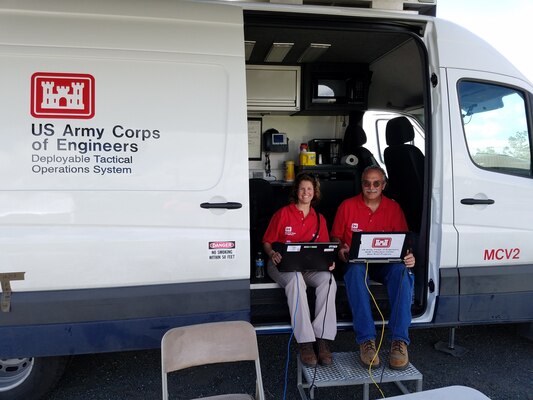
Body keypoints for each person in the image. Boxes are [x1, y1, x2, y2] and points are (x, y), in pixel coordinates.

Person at [331, 165, 415, 370]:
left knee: (403, 273)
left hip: (386, 264)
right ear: (361, 184)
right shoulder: (347, 206)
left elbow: (403, 242)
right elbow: (335, 237)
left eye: (376, 183)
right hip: (357, 263)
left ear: (383, 185)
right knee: (354, 273)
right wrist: (341, 248)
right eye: (367, 183)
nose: (371, 187)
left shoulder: (394, 208)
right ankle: (366, 341)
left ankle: (399, 341)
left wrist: (408, 256)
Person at [263, 173, 337, 367]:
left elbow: (325, 249)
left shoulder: (319, 218)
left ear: (315, 193)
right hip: (282, 265)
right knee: (296, 280)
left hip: (310, 267)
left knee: (328, 279)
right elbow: (267, 242)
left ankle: (322, 339)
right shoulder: (283, 214)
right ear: (296, 191)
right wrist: (272, 254)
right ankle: (305, 341)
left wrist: (329, 262)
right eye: (302, 189)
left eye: (309, 189)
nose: (306, 193)